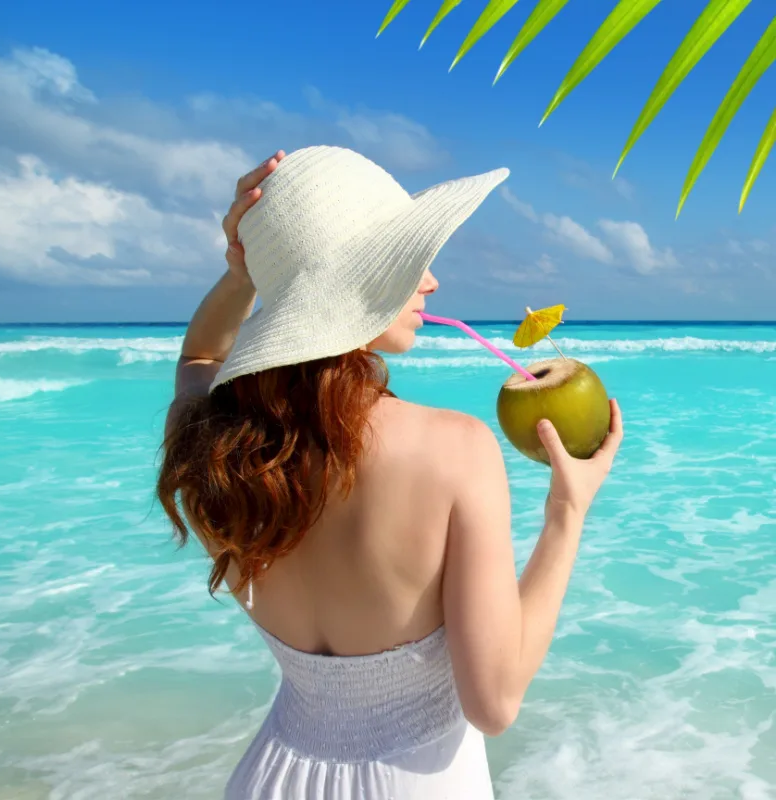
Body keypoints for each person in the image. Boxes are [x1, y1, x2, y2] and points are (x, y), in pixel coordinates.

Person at [157, 145, 623, 800]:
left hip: (274, 776)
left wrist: (244, 273)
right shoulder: (455, 448)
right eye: (406, 260)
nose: (430, 280)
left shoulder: (213, 447)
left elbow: (203, 355)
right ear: (352, 284)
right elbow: (494, 703)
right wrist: (567, 512)